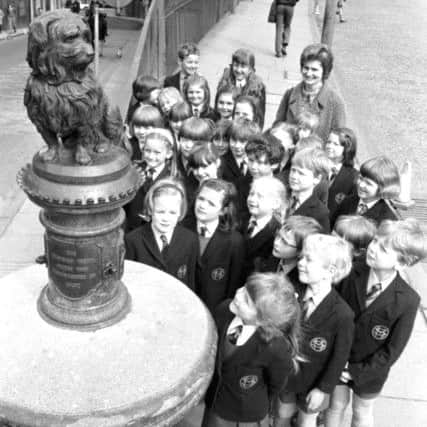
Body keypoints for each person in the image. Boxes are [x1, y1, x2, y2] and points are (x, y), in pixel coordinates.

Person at [327, 219, 427, 427]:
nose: (372, 248)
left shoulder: (408, 300)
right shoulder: (350, 272)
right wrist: (337, 359)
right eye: (374, 241)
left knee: (362, 412)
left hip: (371, 371)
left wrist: (357, 371)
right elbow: (331, 314)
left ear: (401, 263)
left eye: (382, 248)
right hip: (338, 358)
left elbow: (393, 350)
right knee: (335, 406)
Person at [203, 272, 302, 427]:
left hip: (245, 415)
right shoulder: (224, 310)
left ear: (263, 319)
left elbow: (276, 383)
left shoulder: (274, 347)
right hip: (216, 403)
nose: (238, 295)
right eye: (244, 288)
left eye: (247, 300)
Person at [275, 234, 354, 427]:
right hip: (287, 376)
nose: (301, 263)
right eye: (302, 257)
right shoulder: (292, 293)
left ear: (330, 270)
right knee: (281, 414)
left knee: (306, 421)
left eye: (309, 260)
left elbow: (339, 358)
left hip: (314, 381)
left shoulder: (342, 314)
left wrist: (323, 389)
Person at [125, 178, 199, 291]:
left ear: (180, 212)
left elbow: (191, 282)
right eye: (160, 212)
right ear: (150, 209)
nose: (166, 219)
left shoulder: (190, 240)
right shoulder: (133, 240)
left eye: (172, 212)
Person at [189, 178, 245, 313]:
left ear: (223, 211)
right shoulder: (183, 228)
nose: (202, 206)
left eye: (211, 204)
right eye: (201, 199)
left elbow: (233, 284)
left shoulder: (234, 241)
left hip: (213, 310)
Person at [274, 44, 346, 142]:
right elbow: (277, 127)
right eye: (306, 68)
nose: (308, 73)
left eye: (314, 69)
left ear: (325, 71)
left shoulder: (335, 102)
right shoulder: (289, 94)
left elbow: (339, 141)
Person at [124, 128, 175, 232]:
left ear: (168, 153)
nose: (151, 156)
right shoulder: (134, 168)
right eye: (148, 150)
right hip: (131, 226)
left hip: (155, 230)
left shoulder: (171, 178)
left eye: (157, 152)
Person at [330, 156, 400, 228]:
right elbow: (332, 224)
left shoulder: (387, 218)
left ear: (383, 188)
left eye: (368, 183)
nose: (361, 184)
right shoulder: (349, 200)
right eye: (360, 178)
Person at [243, 176, 287, 278]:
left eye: (260, 196)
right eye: (251, 194)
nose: (252, 199)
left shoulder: (277, 233)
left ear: (275, 204)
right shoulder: (239, 220)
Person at [265, 215, 322, 287]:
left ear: (301, 251)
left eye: (285, 242)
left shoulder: (302, 280)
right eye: (278, 235)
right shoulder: (271, 256)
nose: (276, 243)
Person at [217, 48, 266, 128]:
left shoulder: (258, 87)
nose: (239, 70)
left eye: (243, 67)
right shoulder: (225, 82)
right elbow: (218, 105)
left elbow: (260, 115)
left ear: (250, 69)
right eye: (236, 65)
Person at [287, 147, 331, 232]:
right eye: (293, 170)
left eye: (301, 173)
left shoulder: (320, 213)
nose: (294, 176)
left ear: (317, 179)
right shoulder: (281, 195)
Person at [325, 127, 358, 219]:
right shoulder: (318, 163)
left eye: (336, 144)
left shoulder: (352, 177)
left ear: (347, 148)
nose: (329, 146)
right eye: (328, 142)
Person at [221, 118, 261, 188]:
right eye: (234, 140)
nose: (237, 145)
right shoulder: (221, 161)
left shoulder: (259, 162)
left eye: (243, 141)